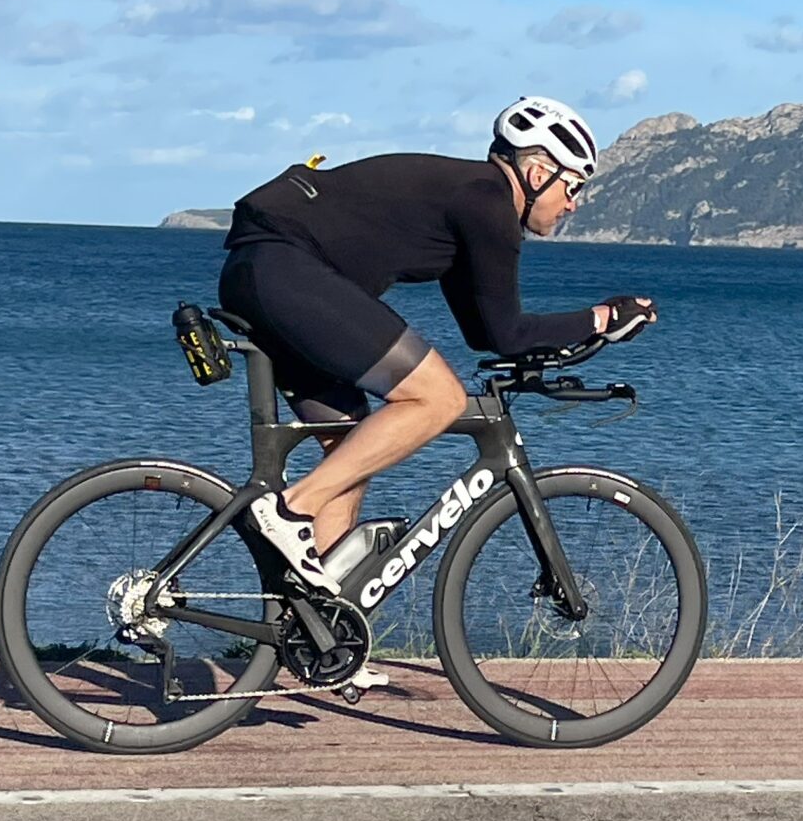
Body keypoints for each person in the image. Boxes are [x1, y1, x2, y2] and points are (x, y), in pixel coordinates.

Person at [216, 97, 656, 598]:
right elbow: (507, 334)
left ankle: (322, 635)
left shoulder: (466, 198)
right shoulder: (489, 202)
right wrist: (600, 318)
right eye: (573, 185)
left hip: (260, 273)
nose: (574, 202)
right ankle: (289, 510)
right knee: (439, 399)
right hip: (284, 271)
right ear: (537, 174)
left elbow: (485, 332)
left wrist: (576, 335)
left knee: (351, 450)